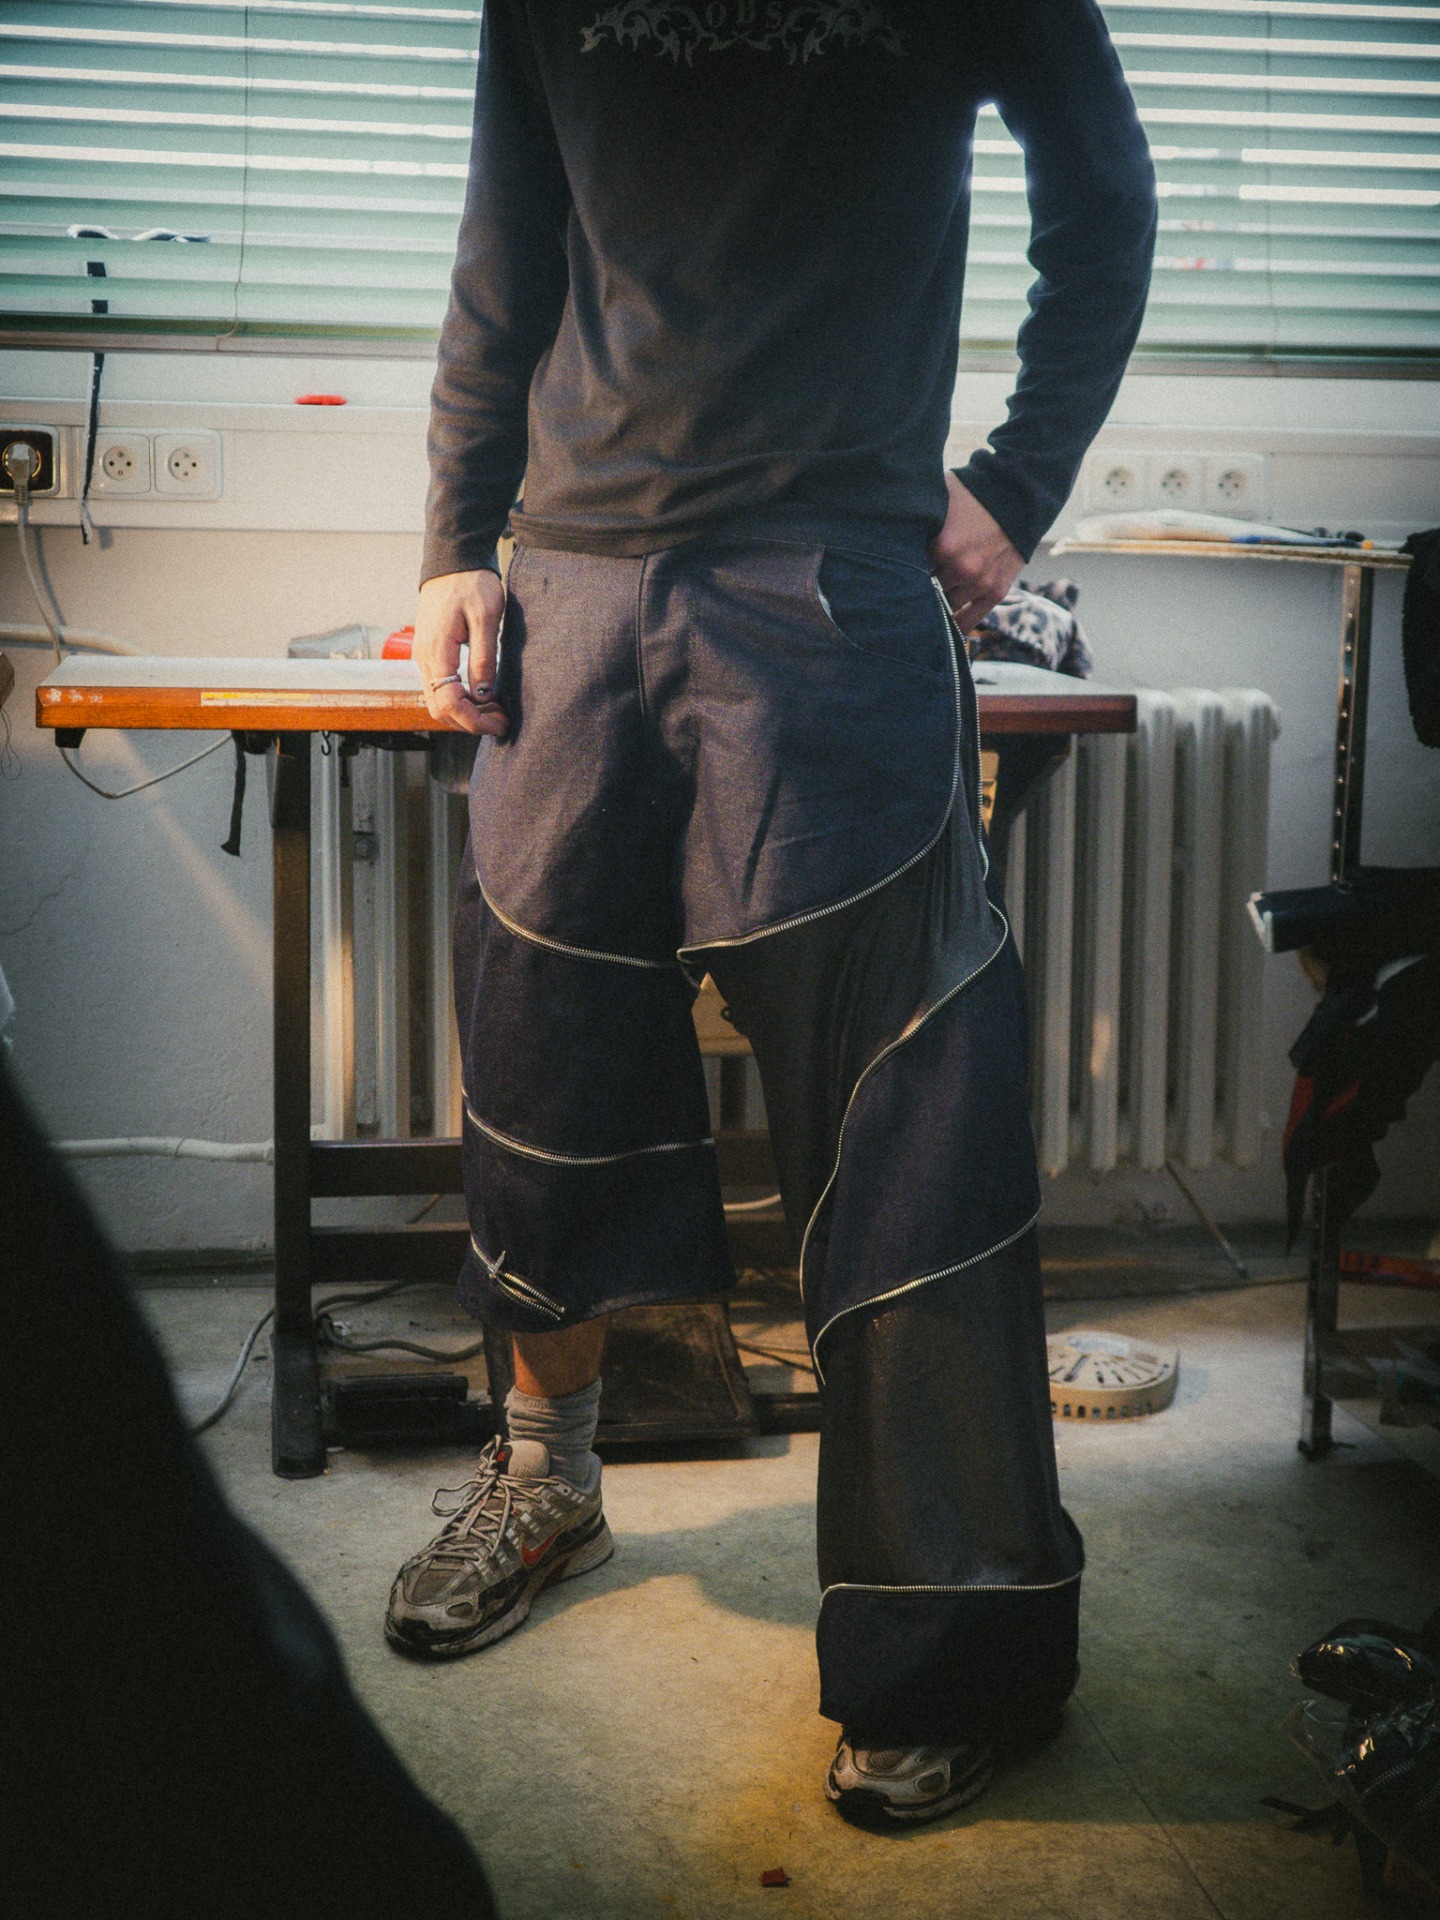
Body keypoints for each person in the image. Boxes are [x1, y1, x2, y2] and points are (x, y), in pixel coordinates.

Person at [388, 0, 1156, 1829]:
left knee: (912, 1131)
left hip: (835, 594)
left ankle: (951, 1645)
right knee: (539, 1069)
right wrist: (452, 541)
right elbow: (506, 253)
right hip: (573, 587)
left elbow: (1105, 198)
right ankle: (545, 1475)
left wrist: (1018, 482)